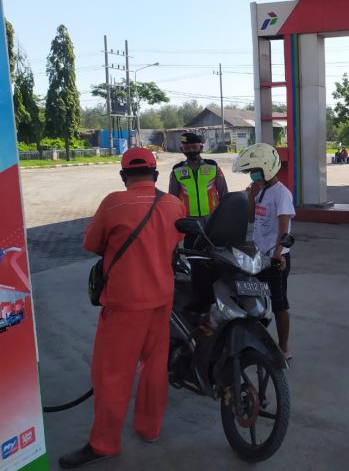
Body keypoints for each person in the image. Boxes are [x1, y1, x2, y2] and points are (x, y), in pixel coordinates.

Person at [59, 148, 186, 469]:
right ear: (155, 174)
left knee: (112, 374)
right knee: (154, 367)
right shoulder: (174, 204)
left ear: (123, 175)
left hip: (125, 304)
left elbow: (92, 244)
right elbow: (175, 242)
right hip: (162, 299)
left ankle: (103, 443)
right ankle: (150, 429)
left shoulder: (114, 203)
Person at [233, 143, 296, 360]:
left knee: (279, 303)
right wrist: (251, 196)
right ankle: (257, 341)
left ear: (267, 167)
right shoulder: (261, 191)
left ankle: (284, 348)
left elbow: (284, 227)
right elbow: (252, 218)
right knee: (254, 298)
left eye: (254, 170)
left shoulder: (281, 193)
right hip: (258, 257)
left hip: (276, 258)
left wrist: (278, 252)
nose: (252, 174)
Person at [169, 132, 228, 221]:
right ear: (182, 149)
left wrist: (224, 213)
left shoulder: (212, 167)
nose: (191, 150)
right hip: (187, 218)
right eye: (187, 148)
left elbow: (224, 193)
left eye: (194, 147)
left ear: (201, 147)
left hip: (212, 216)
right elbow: (172, 198)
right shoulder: (177, 170)